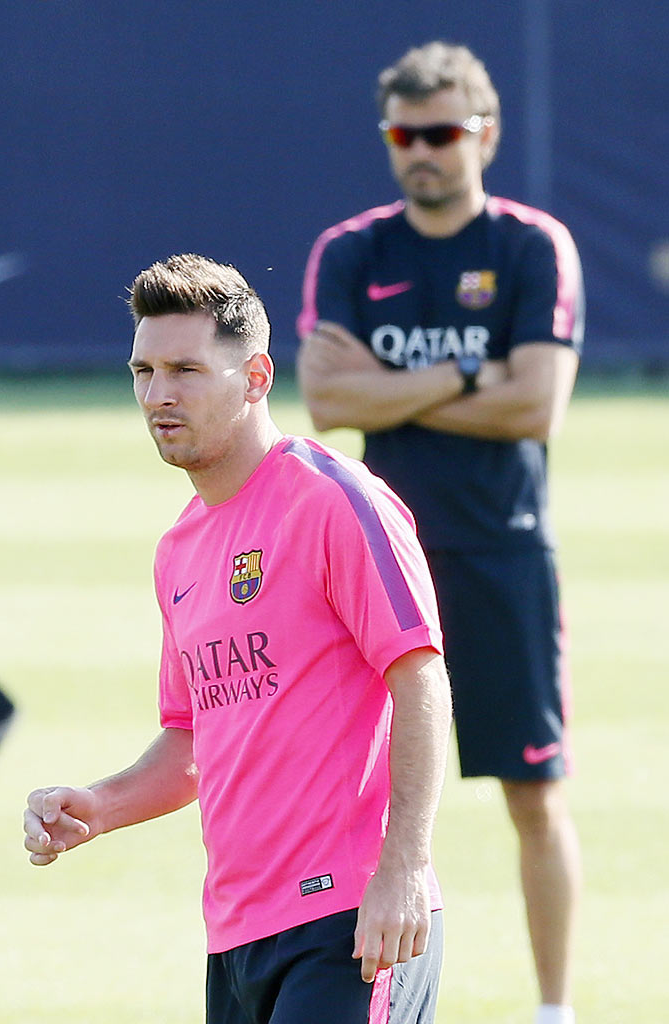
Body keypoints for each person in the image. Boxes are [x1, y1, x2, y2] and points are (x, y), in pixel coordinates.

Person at [23, 254, 452, 1024]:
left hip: (349, 919)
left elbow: (418, 675)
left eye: (185, 369)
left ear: (255, 376)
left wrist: (405, 866)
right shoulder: (179, 548)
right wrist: (100, 803)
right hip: (237, 935)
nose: (158, 395)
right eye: (143, 371)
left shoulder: (333, 501)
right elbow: (193, 738)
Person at [297, 41, 583, 1024]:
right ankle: (357, 992)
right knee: (357, 803)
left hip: (500, 546)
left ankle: (552, 1009)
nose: (421, 150)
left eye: (442, 132)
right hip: (375, 560)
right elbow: (326, 397)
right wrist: (472, 378)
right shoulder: (352, 250)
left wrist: (403, 392)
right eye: (403, 134)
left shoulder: (529, 247)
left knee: (533, 794)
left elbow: (537, 405)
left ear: (485, 134)